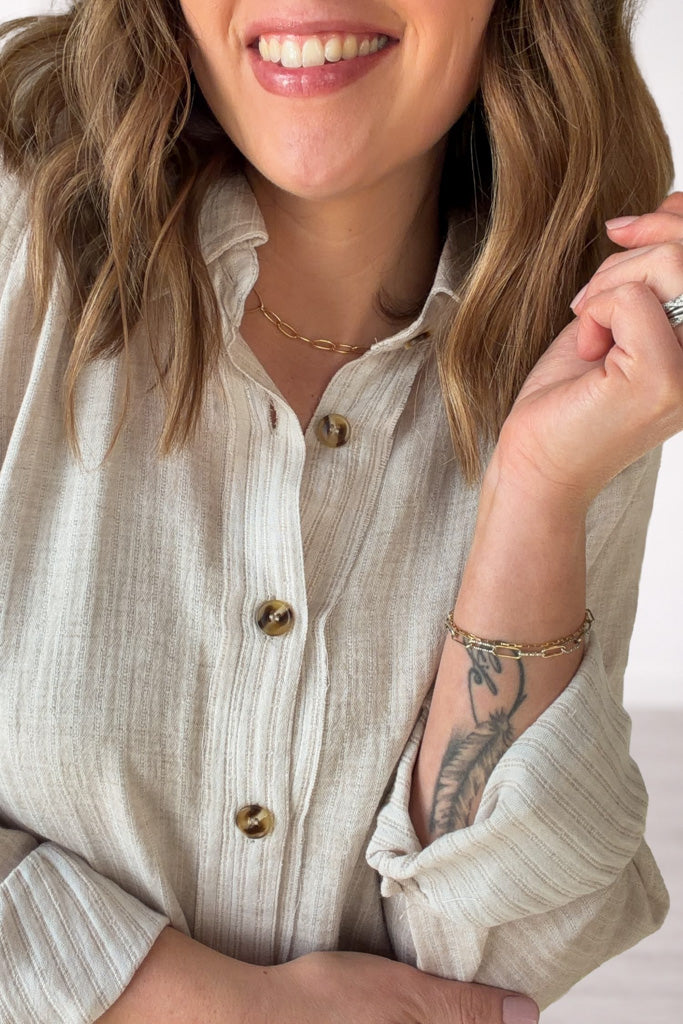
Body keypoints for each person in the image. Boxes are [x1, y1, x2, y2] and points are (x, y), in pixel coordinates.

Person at [0, 0, 681, 1021]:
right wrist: (213, 1006)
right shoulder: (18, 245)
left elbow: (487, 959)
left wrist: (537, 489)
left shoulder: (577, 345)